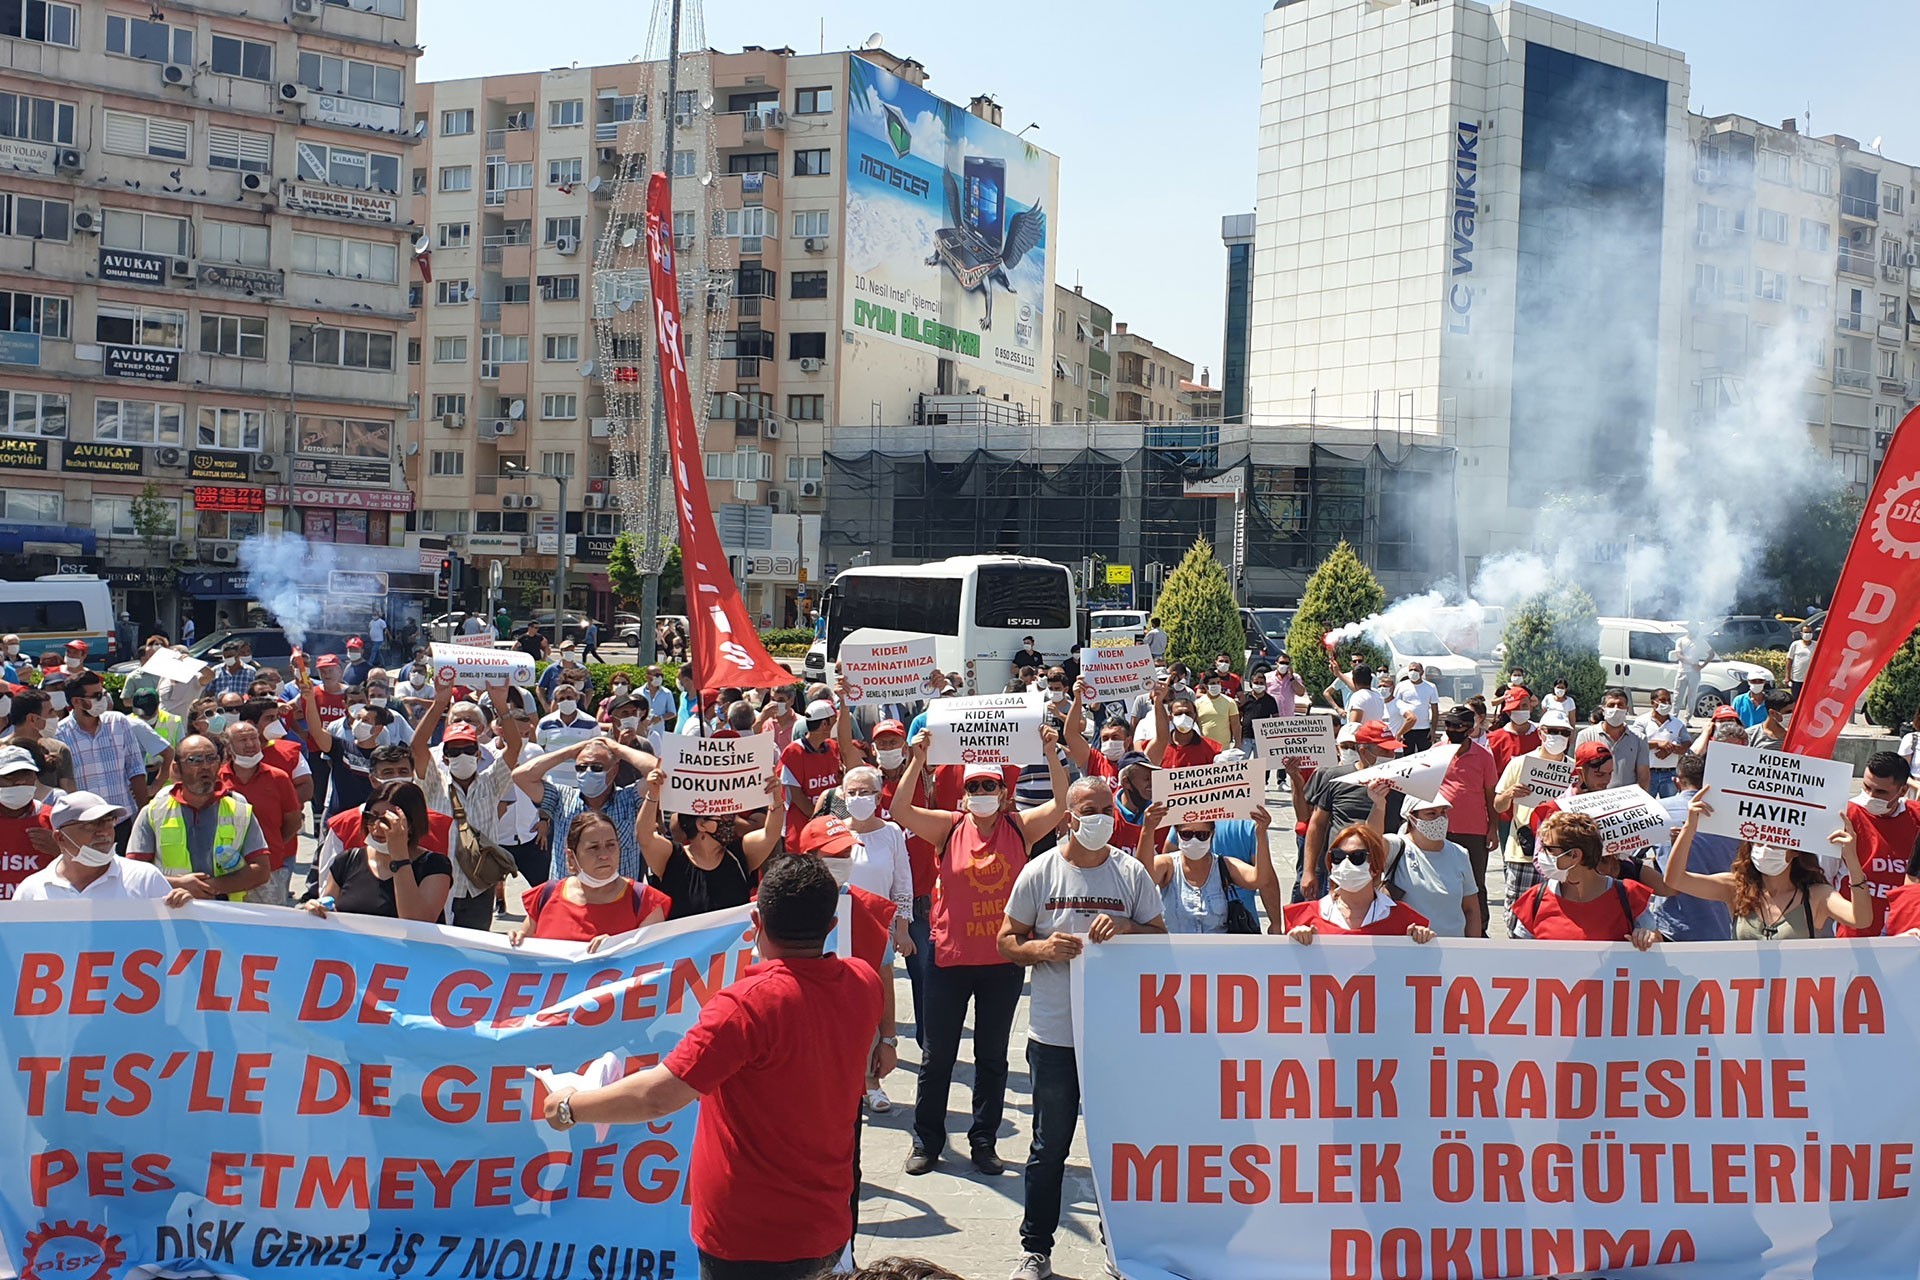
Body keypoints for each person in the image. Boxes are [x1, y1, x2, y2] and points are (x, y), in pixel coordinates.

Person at [541, 855, 883, 1280]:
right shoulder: (863, 983)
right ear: (830, 927)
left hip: (747, 1238)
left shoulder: (746, 1005)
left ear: (756, 922)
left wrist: (571, 1107)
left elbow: (658, 1096)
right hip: (826, 1222)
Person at [999, 778, 1166, 1280]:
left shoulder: (1130, 872)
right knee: (1049, 1146)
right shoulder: (1040, 871)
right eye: (1089, 810)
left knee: (1118, 1147)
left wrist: (1127, 930)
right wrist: (1042, 950)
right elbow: (1007, 941)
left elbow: (1160, 936)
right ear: (1069, 817)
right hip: (1054, 1035)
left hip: (1115, 1036)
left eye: (1106, 810)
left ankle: (1122, 1246)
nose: (1100, 818)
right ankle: (1036, 1249)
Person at [892, 727, 1068, 1178]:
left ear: (1005, 793)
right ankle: (926, 1140)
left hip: (1003, 962)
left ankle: (983, 1141)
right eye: (974, 786)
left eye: (990, 785)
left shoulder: (1018, 827)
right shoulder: (947, 827)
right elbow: (898, 809)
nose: (982, 792)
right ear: (964, 793)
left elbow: (1063, 805)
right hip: (948, 960)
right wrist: (918, 759)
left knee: (992, 1058)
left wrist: (1050, 753)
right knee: (937, 1056)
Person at [1661, 786, 1871, 940]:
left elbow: (1860, 919)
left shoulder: (1817, 895)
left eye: (1776, 844)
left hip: (1795, 997)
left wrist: (1851, 859)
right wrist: (1689, 828)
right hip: (1745, 995)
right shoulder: (1736, 887)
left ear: (1796, 851)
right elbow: (1675, 880)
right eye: (1759, 842)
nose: (1766, 849)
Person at [126, 735, 271, 902]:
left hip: (226, 915)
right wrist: (178, 884)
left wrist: (210, 887)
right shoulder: (153, 813)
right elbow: (134, 873)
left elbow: (261, 870)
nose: (205, 767)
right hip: (172, 913)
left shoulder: (240, 810)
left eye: (211, 759)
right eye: (194, 760)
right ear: (177, 769)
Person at [511, 811, 670, 950]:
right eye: (593, 847)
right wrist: (514, 941)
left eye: (611, 845)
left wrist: (620, 948)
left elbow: (653, 960)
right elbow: (524, 943)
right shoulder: (545, 896)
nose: (604, 855)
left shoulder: (646, 902)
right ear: (571, 856)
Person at [637, 770, 784, 919]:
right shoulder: (672, 858)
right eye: (723, 818)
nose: (730, 822)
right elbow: (645, 837)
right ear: (702, 824)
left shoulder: (739, 855)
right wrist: (653, 795)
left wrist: (776, 799)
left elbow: (770, 834)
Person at [304, 781, 453, 923]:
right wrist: (316, 908)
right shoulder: (348, 860)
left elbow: (415, 922)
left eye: (388, 821)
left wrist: (400, 857)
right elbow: (328, 908)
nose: (377, 827)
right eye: (372, 817)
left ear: (411, 824)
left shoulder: (434, 866)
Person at [1509, 810, 1658, 947]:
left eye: (1549, 849)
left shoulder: (1629, 895)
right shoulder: (1535, 899)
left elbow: (1659, 947)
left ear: (1575, 855)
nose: (1541, 855)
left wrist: (1647, 938)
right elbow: (1520, 959)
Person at [14, 790, 190, 905]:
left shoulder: (144, 879)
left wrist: (185, 909)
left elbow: (174, 941)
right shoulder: (31, 891)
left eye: (108, 821)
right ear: (60, 838)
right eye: (90, 824)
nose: (103, 832)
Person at [1292, 720, 1400, 900]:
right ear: (1364, 752)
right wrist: (1309, 871)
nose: (1391, 755)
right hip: (1340, 869)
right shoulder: (1336, 777)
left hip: (1383, 874)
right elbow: (1317, 825)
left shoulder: (1400, 784)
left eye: (1393, 750)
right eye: (1384, 750)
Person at [1133, 800, 1277, 933]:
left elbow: (1260, 879)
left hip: (1218, 955)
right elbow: (1142, 877)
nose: (1194, 840)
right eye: (1187, 834)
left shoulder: (1225, 865)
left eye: (1202, 835)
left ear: (1212, 835)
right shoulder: (1168, 866)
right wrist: (1148, 829)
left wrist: (1261, 834)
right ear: (1177, 834)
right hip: (1176, 956)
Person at [1282, 825, 1436, 941]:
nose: (1346, 863)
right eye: (1338, 856)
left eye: (1357, 857)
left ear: (1375, 867)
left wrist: (1423, 941)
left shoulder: (1406, 920)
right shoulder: (1302, 918)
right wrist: (1294, 944)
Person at [54, 669, 151, 851]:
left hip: (123, 822)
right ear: (77, 701)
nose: (102, 699)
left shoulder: (118, 722)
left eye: (103, 693)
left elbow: (136, 770)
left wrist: (143, 814)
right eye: (97, 696)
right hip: (85, 826)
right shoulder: (59, 735)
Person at [1648, 753, 1737, 942]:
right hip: (1721, 924)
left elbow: (1629, 860)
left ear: (1676, 782)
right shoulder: (1734, 817)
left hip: (1671, 926)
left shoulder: (1655, 811)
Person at [1834, 751, 1920, 937]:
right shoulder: (1843, 816)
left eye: (1881, 792)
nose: (1870, 796)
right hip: (1854, 936)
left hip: (1905, 935)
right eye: (1866, 787)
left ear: (1903, 791)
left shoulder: (1916, 818)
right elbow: (1824, 878)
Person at [218, 719, 301, 905]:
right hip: (225, 871)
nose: (250, 745)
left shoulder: (279, 778)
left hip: (269, 869)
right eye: (242, 740)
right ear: (229, 746)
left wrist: (272, 843)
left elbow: (293, 821)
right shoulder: (218, 779)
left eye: (253, 738)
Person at [1375, 794, 1482, 938]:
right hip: (1408, 948)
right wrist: (1379, 805)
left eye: (1443, 812)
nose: (1439, 819)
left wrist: (1473, 949)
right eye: (1431, 813)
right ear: (1412, 818)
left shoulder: (1460, 853)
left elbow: (1471, 909)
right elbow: (1372, 842)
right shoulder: (1396, 847)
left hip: (1453, 948)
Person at [1434, 705, 1497, 933]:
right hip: (1440, 829)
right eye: (1449, 725)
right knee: (1442, 881)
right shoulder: (1436, 752)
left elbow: (1491, 794)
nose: (1452, 729)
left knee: (1475, 883)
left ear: (1470, 729)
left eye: (1458, 726)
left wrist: (1493, 829)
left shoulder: (1483, 757)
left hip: (1475, 830)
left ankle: (1479, 930)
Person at [780, 700, 844, 847]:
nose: (835, 724)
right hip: (803, 828)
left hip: (831, 826)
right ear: (824, 724)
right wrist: (821, 821)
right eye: (833, 721)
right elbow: (797, 796)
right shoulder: (793, 752)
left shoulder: (833, 747)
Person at [0, 745, 53, 899]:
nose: (20, 781)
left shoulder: (53, 818)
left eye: (27, 773)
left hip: (37, 915)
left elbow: (83, 871)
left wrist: (61, 850)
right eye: (10, 776)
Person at [1576, 688, 1650, 791]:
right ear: (1603, 710)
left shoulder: (1639, 739)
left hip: (1627, 799)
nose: (1616, 709)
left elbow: (1643, 775)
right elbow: (1580, 772)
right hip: (1595, 798)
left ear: (1627, 710)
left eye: (1620, 705)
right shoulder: (1586, 735)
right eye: (1611, 705)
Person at [1635, 688, 1690, 798]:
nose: (1667, 703)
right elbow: (1636, 744)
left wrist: (1669, 748)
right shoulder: (1641, 721)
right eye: (1663, 700)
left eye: (1669, 700)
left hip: (1670, 774)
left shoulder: (1678, 723)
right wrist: (1657, 744)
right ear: (1653, 703)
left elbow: (1687, 744)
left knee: (1669, 809)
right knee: (1647, 806)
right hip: (1648, 773)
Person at [1393, 662, 1440, 752]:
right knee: (1407, 756)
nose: (1413, 672)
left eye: (1416, 670)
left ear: (1421, 672)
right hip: (1406, 729)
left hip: (1424, 729)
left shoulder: (1430, 687)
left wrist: (1433, 730)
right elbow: (1395, 706)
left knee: (1425, 756)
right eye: (1411, 670)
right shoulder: (1401, 686)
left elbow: (1435, 710)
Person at [1671, 627, 1711, 718]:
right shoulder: (1681, 640)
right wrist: (1692, 663)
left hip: (1694, 673)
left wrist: (1702, 666)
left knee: (1692, 696)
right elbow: (1679, 655)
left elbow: (1711, 654)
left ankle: (1687, 719)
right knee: (1677, 695)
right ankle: (1674, 717)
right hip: (1682, 671)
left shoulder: (1701, 642)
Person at [1788, 625, 1816, 700]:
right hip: (1797, 679)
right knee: (1796, 699)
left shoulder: (1816, 645)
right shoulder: (1795, 645)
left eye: (1810, 632)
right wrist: (1787, 677)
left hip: (1811, 679)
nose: (1808, 634)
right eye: (1806, 632)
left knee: (1809, 699)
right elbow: (1789, 660)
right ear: (1801, 633)